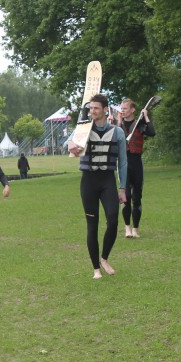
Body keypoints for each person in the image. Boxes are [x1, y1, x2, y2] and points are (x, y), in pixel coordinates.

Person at [67, 94, 128, 280]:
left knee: (113, 220)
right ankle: (96, 268)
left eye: (95, 108)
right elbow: (69, 142)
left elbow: (123, 163)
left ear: (105, 110)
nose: (92, 111)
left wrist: (123, 188)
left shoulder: (117, 132)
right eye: (90, 108)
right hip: (89, 182)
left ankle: (104, 258)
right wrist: (71, 145)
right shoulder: (83, 129)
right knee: (92, 225)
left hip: (108, 180)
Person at [116, 98, 156, 238]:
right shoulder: (117, 125)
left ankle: (136, 229)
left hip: (136, 163)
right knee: (125, 197)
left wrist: (145, 116)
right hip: (123, 164)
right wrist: (115, 121)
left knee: (136, 197)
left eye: (125, 108)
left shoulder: (139, 124)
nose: (123, 110)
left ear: (133, 110)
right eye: (122, 108)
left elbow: (152, 132)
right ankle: (127, 227)